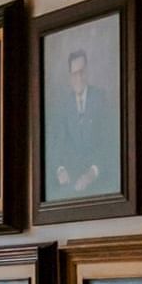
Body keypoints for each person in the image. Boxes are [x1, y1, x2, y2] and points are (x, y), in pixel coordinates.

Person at [48, 47, 118, 198]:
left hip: (98, 178)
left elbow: (109, 144)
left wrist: (92, 173)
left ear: (87, 72)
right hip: (71, 180)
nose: (78, 78)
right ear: (69, 77)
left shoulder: (101, 99)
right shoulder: (63, 106)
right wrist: (60, 170)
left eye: (82, 72)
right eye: (74, 74)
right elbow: (56, 146)